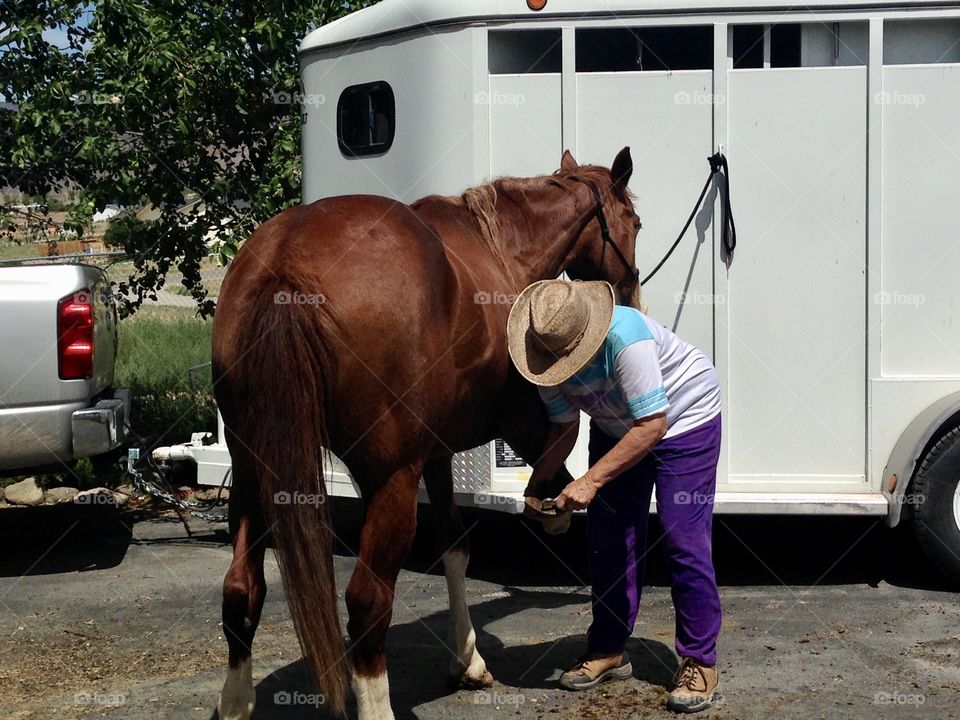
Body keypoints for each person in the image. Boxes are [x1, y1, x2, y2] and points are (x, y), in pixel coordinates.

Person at [507, 279, 723, 714]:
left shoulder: (626, 340)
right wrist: (540, 482)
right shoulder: (543, 357)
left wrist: (588, 482)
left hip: (682, 418)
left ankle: (700, 661)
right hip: (618, 427)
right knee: (609, 538)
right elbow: (565, 426)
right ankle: (608, 648)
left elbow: (652, 426)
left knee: (683, 538)